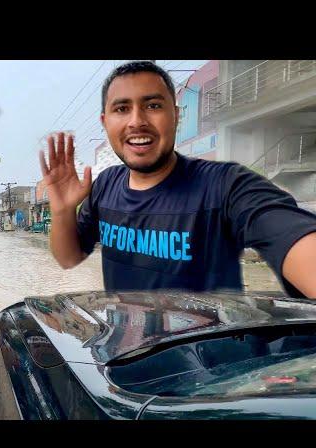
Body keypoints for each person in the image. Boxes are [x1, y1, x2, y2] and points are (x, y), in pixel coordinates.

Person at [40, 61, 316, 298]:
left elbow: (295, 240)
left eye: (153, 105)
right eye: (122, 109)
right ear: (105, 122)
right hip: (124, 356)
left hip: (213, 359)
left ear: (176, 115)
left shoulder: (225, 186)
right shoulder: (105, 186)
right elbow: (68, 258)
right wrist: (62, 210)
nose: (136, 121)